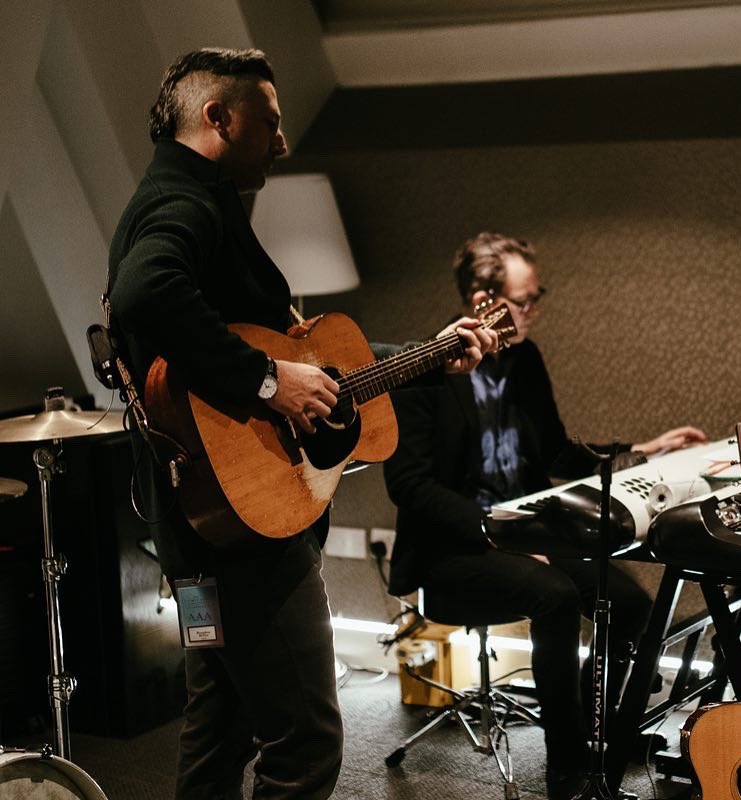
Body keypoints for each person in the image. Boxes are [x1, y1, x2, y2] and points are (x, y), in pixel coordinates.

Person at [106, 48, 496, 799]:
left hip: (196, 536)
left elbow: (312, 361)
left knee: (218, 725)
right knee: (307, 744)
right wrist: (263, 381)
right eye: (270, 123)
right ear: (217, 118)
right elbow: (143, 291)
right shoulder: (184, 203)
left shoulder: (195, 197)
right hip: (245, 539)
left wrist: (428, 354)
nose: (283, 143)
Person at [383, 232, 706, 799]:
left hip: (527, 532)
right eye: (524, 298)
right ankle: (569, 765)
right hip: (453, 552)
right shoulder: (424, 367)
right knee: (555, 597)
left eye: (536, 297)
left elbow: (556, 451)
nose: (533, 311)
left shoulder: (524, 359)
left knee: (629, 605)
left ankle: (601, 732)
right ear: (483, 297)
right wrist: (493, 534)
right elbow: (409, 487)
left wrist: (642, 450)